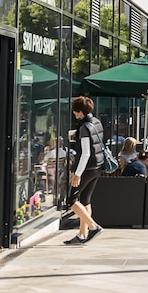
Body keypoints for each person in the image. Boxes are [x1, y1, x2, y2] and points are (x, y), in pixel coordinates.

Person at [65, 96, 104, 245]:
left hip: (86, 168)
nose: (74, 114)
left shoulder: (84, 128)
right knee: (85, 200)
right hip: (97, 166)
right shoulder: (96, 122)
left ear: (80, 112)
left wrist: (77, 174)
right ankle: (82, 234)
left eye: (75, 112)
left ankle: (93, 227)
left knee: (71, 200)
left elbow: (86, 152)